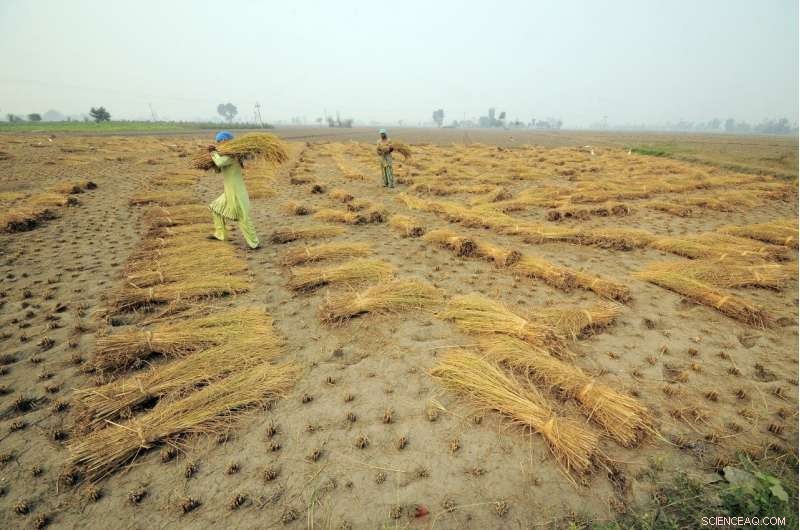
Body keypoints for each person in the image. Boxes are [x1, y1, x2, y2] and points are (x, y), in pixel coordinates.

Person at [207, 131, 260, 249]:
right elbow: (219, 168)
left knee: (243, 217)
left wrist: (213, 153)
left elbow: (220, 162)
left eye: (221, 141)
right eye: (218, 142)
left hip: (236, 191)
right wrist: (212, 162)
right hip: (228, 191)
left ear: (227, 141)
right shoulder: (226, 154)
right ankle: (220, 235)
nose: (219, 143)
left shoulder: (232, 155)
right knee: (215, 208)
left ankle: (254, 243)